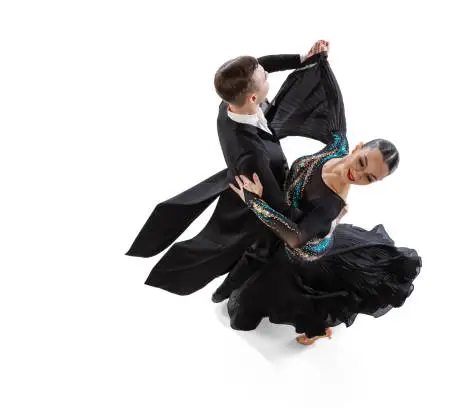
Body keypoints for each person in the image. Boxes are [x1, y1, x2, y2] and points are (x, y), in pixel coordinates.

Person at [225, 52, 422, 345]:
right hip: (292, 225)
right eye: (363, 162)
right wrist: (315, 59)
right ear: (356, 147)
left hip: (300, 254)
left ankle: (316, 327)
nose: (359, 173)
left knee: (243, 311)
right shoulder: (338, 143)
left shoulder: (331, 205)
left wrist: (254, 202)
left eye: (370, 178)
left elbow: (295, 238)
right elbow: (332, 101)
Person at [125, 41, 331, 297]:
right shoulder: (251, 154)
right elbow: (278, 206)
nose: (267, 74)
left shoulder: (230, 103)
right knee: (258, 249)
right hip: (257, 201)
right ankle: (228, 292)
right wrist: (321, 220)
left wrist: (302, 58)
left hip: (249, 180)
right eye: (264, 77)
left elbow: (261, 64)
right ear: (253, 98)